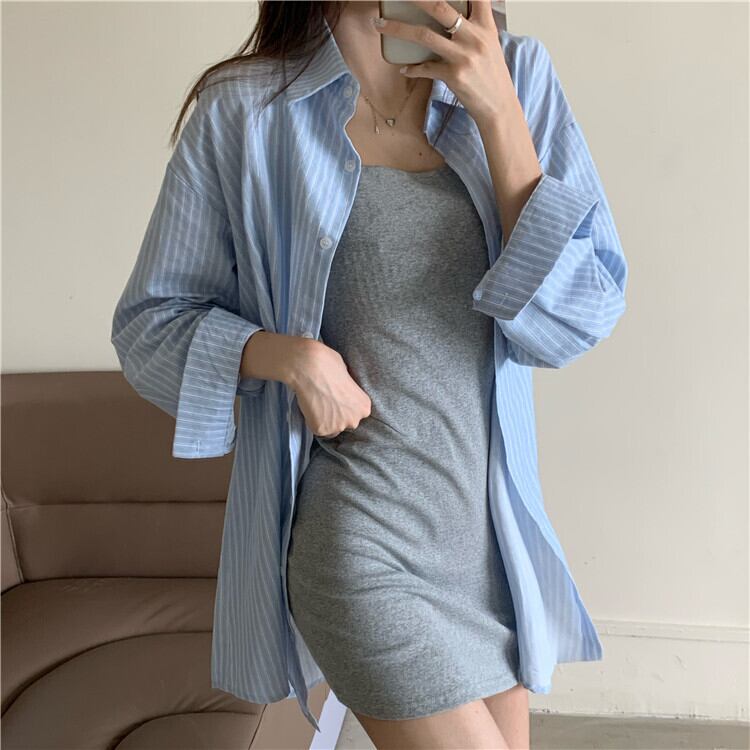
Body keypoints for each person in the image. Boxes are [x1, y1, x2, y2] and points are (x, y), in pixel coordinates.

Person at [111, 2, 628, 748]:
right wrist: (288, 357)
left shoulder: (519, 77)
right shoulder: (247, 111)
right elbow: (151, 324)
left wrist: (500, 117)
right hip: (358, 541)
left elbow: (580, 315)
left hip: (490, 549)